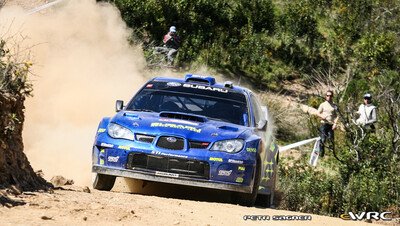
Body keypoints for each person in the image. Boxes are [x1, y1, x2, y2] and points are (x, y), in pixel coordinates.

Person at [316, 90, 339, 157]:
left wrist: (335, 124)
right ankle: (321, 154)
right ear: (325, 96)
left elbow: (337, 115)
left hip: (331, 125)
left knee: (331, 140)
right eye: (327, 95)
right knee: (323, 139)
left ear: (332, 96)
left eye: (330, 96)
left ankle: (332, 156)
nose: (329, 97)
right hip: (324, 124)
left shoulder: (334, 106)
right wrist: (321, 116)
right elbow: (317, 112)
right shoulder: (322, 104)